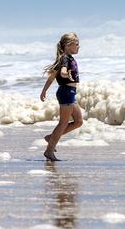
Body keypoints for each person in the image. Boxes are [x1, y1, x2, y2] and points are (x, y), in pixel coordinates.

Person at [40, 33, 83, 161]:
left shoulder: (65, 58)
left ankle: (51, 138)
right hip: (66, 92)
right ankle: (49, 151)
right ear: (67, 45)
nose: (78, 47)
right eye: (76, 44)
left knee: (78, 121)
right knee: (63, 123)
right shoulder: (65, 59)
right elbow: (63, 72)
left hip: (69, 92)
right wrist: (65, 74)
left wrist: (44, 91)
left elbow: (52, 76)